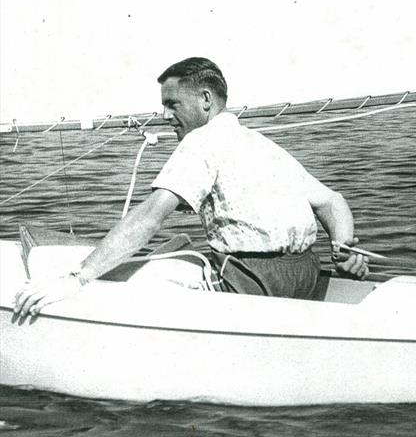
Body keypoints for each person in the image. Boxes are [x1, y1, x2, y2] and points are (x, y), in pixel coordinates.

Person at [14, 57, 368, 317]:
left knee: (128, 276)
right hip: (302, 276)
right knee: (178, 247)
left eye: (172, 104)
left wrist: (78, 278)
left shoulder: (201, 142)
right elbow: (332, 202)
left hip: (254, 284)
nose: (165, 115)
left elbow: (151, 216)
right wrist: (346, 248)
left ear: (205, 100)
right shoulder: (258, 143)